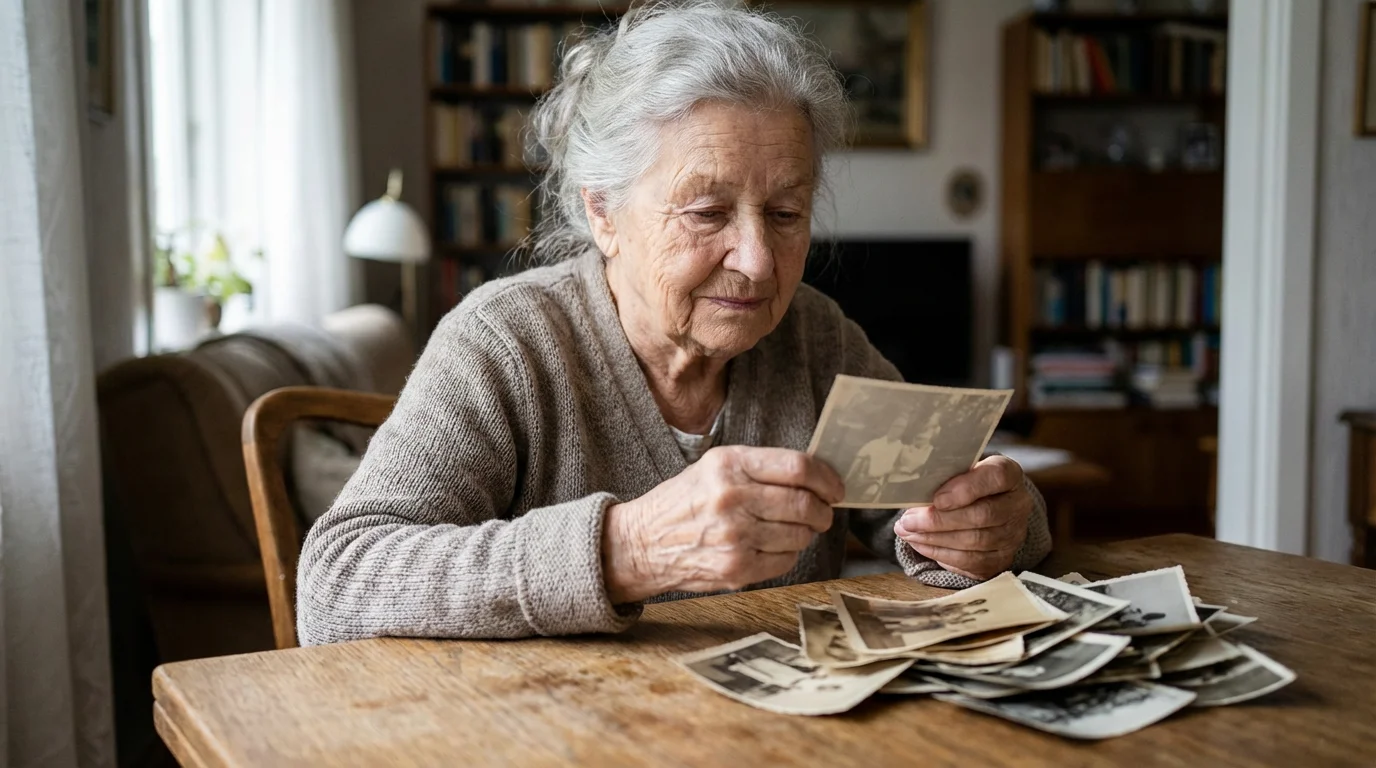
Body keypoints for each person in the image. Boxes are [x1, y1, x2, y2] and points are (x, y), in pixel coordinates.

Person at [295, 0, 1051, 646]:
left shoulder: (815, 339)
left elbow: (941, 514)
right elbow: (336, 585)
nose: (757, 261)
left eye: (786, 213)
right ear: (602, 211)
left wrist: (994, 528)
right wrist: (627, 550)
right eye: (707, 212)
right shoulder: (507, 343)